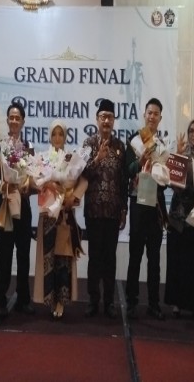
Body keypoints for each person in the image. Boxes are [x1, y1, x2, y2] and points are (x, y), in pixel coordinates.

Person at [79, 98, 128, 319]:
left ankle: (109, 302)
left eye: (110, 117)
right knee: (94, 257)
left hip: (113, 212)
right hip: (93, 210)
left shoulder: (120, 147)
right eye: (103, 117)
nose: (106, 121)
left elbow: (124, 181)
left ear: (114, 120)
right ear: (96, 119)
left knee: (110, 258)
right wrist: (97, 159)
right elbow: (82, 173)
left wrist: (124, 209)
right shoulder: (88, 143)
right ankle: (93, 300)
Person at [32, 120, 85, 319]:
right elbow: (34, 180)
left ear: (65, 137)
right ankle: (50, 299)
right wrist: (47, 184)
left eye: (60, 134)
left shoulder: (71, 158)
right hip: (47, 216)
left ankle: (61, 301)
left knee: (63, 259)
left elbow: (82, 180)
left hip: (64, 216)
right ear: (49, 136)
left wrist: (73, 196)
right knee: (49, 259)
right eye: (54, 134)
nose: (57, 138)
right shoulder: (43, 158)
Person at [0, 102, 36, 318]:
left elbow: (34, 175)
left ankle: (23, 299)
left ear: (23, 121)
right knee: (5, 254)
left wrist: (28, 185)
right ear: (7, 120)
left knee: (23, 254)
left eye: (18, 118)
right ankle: (1, 300)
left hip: (23, 206)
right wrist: (2, 186)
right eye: (11, 117)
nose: (14, 121)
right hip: (6, 206)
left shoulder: (29, 147)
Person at [124, 98, 169, 320]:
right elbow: (128, 170)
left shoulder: (163, 146)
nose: (152, 117)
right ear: (144, 115)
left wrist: (161, 175)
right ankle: (131, 302)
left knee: (154, 257)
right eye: (149, 113)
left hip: (156, 205)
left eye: (156, 114)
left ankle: (154, 303)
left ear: (160, 118)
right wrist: (140, 161)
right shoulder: (134, 141)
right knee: (135, 255)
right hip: (138, 202)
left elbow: (167, 181)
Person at [165, 119, 194, 319]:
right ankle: (176, 302)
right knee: (176, 259)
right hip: (177, 216)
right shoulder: (181, 154)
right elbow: (170, 182)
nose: (193, 134)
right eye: (191, 130)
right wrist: (178, 157)